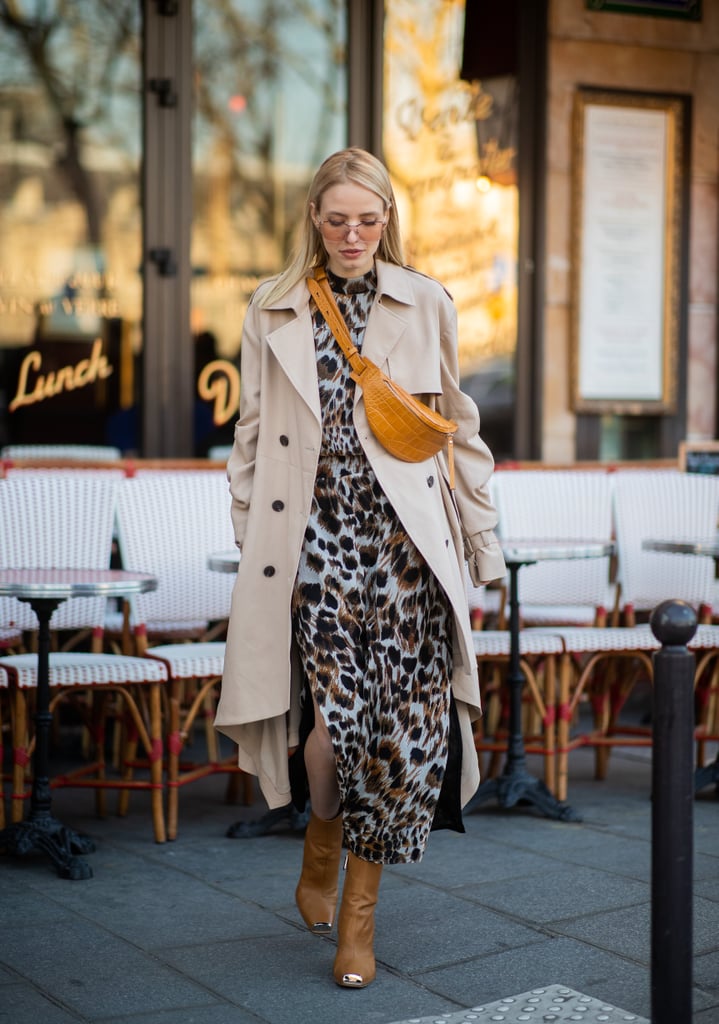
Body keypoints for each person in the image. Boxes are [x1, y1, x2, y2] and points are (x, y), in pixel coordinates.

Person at [215, 147, 505, 989]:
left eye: (367, 220)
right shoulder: (272, 308)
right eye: (337, 218)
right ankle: (322, 835)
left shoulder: (426, 302)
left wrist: (480, 539)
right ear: (313, 217)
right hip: (315, 543)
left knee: (403, 736)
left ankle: (358, 920)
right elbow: (249, 432)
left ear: (387, 221)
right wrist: (250, 534)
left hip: (407, 546)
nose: (352, 235)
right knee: (330, 733)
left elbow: (459, 426)